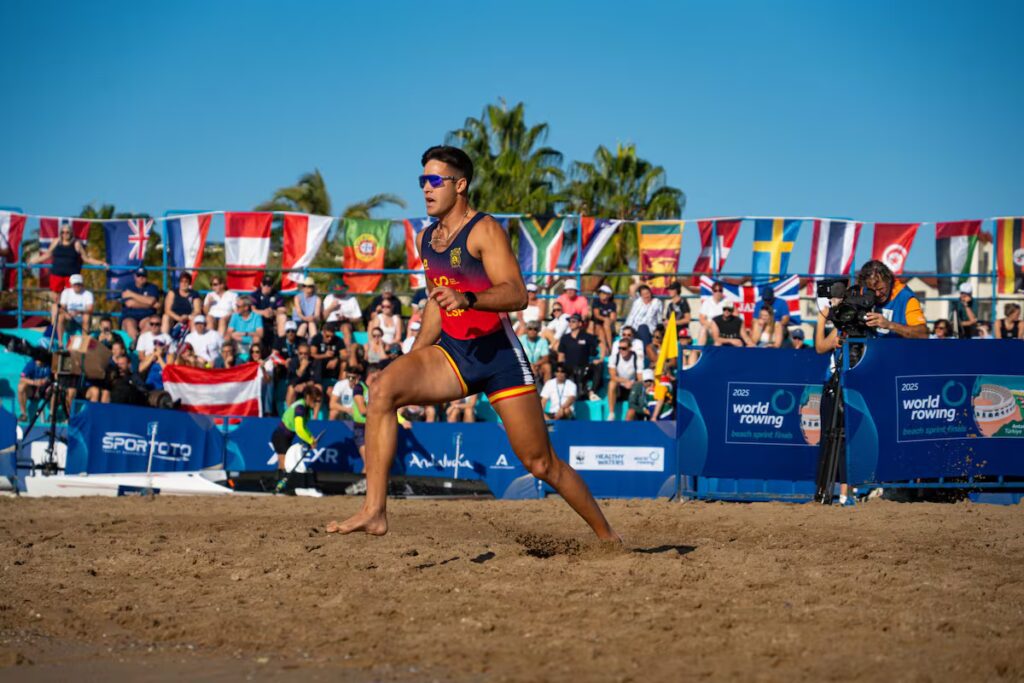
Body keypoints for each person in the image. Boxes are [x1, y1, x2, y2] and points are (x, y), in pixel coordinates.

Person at [325, 144, 617, 540]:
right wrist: (410, 362)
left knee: (540, 463)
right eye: (421, 181)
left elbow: (517, 294)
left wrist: (470, 298)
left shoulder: (484, 229)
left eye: (434, 181)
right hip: (456, 353)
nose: (425, 189)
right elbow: (436, 304)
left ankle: (607, 537)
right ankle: (374, 511)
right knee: (383, 388)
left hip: (499, 358)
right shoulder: (427, 239)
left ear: (460, 185)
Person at [30, 222, 107, 297]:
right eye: (63, 232)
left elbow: (86, 258)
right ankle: (56, 310)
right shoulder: (56, 242)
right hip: (56, 275)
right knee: (55, 299)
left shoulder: (76, 243)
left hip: (71, 276)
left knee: (70, 299)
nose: (65, 234)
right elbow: (47, 255)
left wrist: (101, 263)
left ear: (71, 233)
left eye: (67, 232)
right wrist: (33, 262)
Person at [271, 385, 323, 482]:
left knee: (283, 463)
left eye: (319, 401)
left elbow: (303, 427)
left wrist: (310, 437)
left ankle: (280, 485)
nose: (316, 404)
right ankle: (280, 486)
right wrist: (310, 440)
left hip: (285, 437)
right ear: (308, 397)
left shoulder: (306, 409)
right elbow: (299, 429)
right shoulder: (300, 408)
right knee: (283, 463)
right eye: (315, 400)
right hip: (280, 436)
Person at [557, 313, 602, 399]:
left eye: (573, 321)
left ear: (580, 323)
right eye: (569, 321)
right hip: (569, 368)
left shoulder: (587, 337)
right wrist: (560, 369)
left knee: (598, 366)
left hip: (584, 366)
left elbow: (601, 343)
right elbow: (561, 355)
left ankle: (592, 392)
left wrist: (601, 358)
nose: (571, 323)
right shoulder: (565, 338)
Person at [120, 268, 162, 343]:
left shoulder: (152, 287)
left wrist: (132, 294)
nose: (141, 278)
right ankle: (136, 344)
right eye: (139, 276)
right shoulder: (127, 287)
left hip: (146, 316)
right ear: (135, 276)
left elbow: (151, 301)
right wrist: (150, 304)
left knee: (150, 324)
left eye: (143, 276)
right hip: (130, 316)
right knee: (130, 325)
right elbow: (130, 304)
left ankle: (138, 344)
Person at [606, 337, 644, 421]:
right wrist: (626, 381)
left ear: (630, 348)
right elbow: (613, 376)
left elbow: (640, 378)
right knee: (612, 383)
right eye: (619, 348)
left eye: (624, 348)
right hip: (620, 387)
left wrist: (632, 384)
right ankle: (611, 413)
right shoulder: (614, 357)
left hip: (632, 387)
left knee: (640, 387)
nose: (621, 350)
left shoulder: (637, 358)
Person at [56, 274, 94, 343]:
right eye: (75, 284)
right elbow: (62, 307)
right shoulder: (66, 292)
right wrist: (66, 313)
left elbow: (90, 309)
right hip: (69, 316)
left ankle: (84, 342)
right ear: (71, 284)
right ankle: (60, 342)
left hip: (81, 316)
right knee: (60, 317)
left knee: (86, 316)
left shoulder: (88, 294)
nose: (77, 286)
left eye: (78, 284)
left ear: (82, 284)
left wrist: (78, 312)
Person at [323, 281, 363, 347]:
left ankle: (347, 350)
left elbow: (358, 318)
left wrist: (347, 319)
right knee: (326, 329)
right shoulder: (328, 298)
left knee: (346, 328)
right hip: (331, 322)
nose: (338, 294)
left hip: (346, 322)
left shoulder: (351, 299)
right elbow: (323, 317)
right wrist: (331, 308)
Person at [624, 282, 663, 347]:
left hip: (648, 329)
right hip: (633, 329)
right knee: (628, 332)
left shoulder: (656, 302)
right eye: (643, 294)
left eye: (648, 293)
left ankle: (646, 351)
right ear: (640, 295)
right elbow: (632, 288)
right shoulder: (637, 301)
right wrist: (643, 283)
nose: (646, 296)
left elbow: (659, 318)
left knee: (642, 327)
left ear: (651, 293)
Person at [252, 275, 288, 340]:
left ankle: (280, 343)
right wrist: (263, 312)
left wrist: (273, 312)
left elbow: (283, 310)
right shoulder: (256, 294)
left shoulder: (277, 295)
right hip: (259, 318)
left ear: (272, 285)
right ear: (261, 284)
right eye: (264, 284)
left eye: (269, 284)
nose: (266, 286)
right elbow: (252, 309)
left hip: (273, 318)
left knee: (282, 317)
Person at [518, 320, 552, 385]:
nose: (532, 331)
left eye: (535, 329)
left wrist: (534, 365)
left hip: (537, 365)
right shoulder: (520, 340)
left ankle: (546, 391)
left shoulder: (542, 341)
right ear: (526, 330)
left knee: (547, 367)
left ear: (538, 331)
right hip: (523, 364)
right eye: (530, 329)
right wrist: (529, 365)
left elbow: (546, 358)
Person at [17, 357, 51, 422]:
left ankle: (51, 415)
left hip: (45, 389)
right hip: (32, 389)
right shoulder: (31, 364)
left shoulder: (49, 364)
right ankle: (23, 414)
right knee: (21, 386)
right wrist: (34, 382)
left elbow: (53, 377)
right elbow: (22, 378)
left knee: (54, 388)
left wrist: (45, 381)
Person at [590, 284, 618, 357]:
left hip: (606, 325)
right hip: (598, 325)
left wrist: (607, 321)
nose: (602, 295)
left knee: (606, 325)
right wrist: (606, 319)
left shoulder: (612, 304)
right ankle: (608, 348)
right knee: (602, 328)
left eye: (604, 293)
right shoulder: (596, 301)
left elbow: (613, 318)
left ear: (609, 295)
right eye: (601, 293)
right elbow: (596, 315)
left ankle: (607, 349)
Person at [698, 281, 726, 345]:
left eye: (720, 290)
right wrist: (713, 326)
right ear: (712, 291)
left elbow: (735, 316)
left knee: (718, 341)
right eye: (715, 290)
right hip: (710, 328)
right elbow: (702, 319)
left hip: (723, 329)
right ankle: (699, 351)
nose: (718, 292)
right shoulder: (707, 302)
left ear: (722, 292)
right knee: (703, 329)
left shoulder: (727, 302)